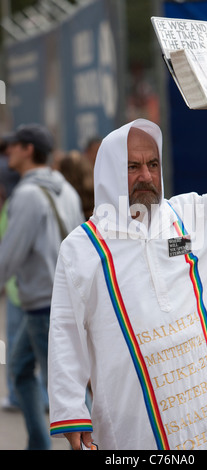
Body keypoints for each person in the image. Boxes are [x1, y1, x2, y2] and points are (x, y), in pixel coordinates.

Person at [48, 103, 207, 450]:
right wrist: (71, 409)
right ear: (108, 172)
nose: (147, 176)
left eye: (152, 164)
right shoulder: (82, 249)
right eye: (132, 167)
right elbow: (65, 329)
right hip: (136, 423)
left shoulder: (193, 217)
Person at [0, 123, 84, 449]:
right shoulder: (67, 190)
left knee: (64, 389)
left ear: (29, 150)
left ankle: (95, 446)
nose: (8, 151)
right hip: (64, 297)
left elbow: (9, 255)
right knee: (23, 370)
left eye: (14, 145)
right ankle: (38, 442)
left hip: (41, 303)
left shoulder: (27, 195)